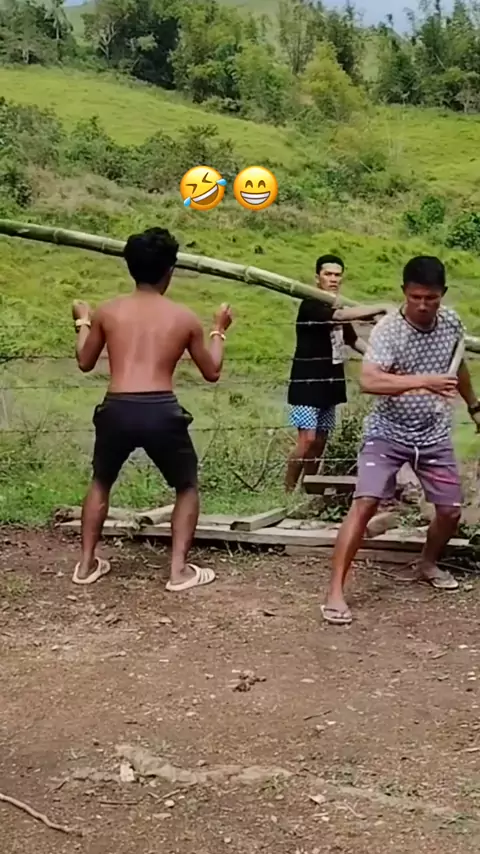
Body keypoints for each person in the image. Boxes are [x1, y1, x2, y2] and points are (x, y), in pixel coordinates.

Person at [71, 226, 233, 590]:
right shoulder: (183, 317)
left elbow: (84, 360)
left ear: (130, 266)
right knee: (186, 485)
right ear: (169, 270)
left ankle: (86, 564)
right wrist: (218, 329)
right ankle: (178, 571)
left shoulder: (108, 311)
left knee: (101, 481)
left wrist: (82, 319)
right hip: (160, 408)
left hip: (117, 407)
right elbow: (212, 371)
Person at [323, 255, 480, 625]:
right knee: (366, 502)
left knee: (450, 511)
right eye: (415, 297)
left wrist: (474, 405)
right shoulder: (389, 330)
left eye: (431, 298)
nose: (423, 305)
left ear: (442, 294)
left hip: (433, 431)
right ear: (404, 293)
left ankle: (427, 563)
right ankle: (335, 591)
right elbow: (369, 380)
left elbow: (458, 365)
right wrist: (424, 381)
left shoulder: (451, 322)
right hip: (387, 431)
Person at [285, 254, 391, 492]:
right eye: (328, 274)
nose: (333, 279)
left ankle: (309, 489)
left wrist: (378, 358)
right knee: (307, 440)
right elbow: (340, 317)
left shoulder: (338, 305)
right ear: (317, 278)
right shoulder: (311, 304)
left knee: (320, 442)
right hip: (306, 383)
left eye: (337, 275)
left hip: (330, 382)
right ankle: (288, 490)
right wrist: (381, 307)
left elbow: (352, 339)